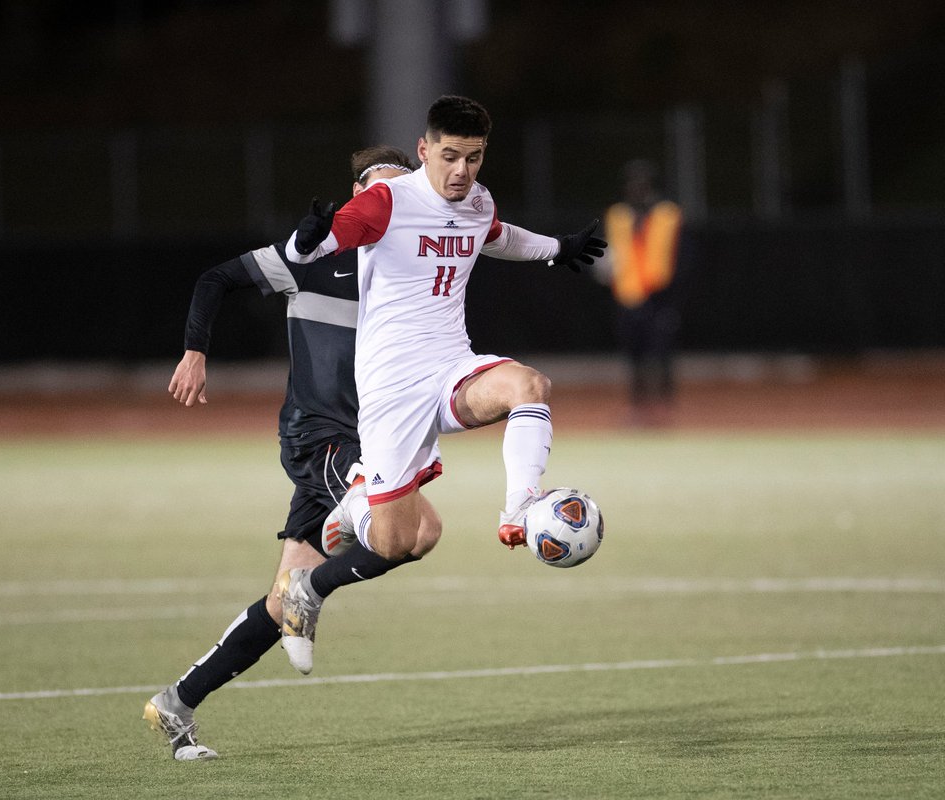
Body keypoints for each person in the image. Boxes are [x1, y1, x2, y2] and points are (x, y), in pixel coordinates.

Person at [276, 94, 606, 675]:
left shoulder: (476, 200)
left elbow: (497, 234)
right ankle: (312, 584)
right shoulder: (387, 201)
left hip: (451, 366)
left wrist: (559, 250)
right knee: (399, 541)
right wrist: (308, 240)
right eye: (450, 157)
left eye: (474, 158)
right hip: (391, 392)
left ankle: (519, 510)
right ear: (424, 151)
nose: (461, 172)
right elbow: (327, 240)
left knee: (528, 385)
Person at [142, 145, 418, 761]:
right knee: (409, 529)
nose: (391, 201)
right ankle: (309, 594)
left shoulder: (415, 273)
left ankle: (176, 703)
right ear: (357, 196)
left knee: (279, 598)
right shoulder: (315, 255)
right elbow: (216, 278)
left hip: (362, 442)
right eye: (379, 189)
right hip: (319, 436)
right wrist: (194, 350)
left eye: (404, 190)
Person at [598, 159, 686, 422]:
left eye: (642, 183)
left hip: (661, 296)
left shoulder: (668, 214)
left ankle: (665, 409)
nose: (637, 188)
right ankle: (637, 407)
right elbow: (608, 253)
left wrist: (677, 296)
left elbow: (683, 257)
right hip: (627, 296)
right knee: (633, 354)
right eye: (632, 183)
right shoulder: (617, 215)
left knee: (662, 352)